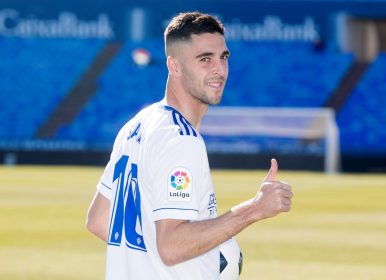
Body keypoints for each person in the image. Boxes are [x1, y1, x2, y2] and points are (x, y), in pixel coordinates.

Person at [86, 11, 293, 280]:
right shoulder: (180, 139)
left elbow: (99, 220)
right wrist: (255, 208)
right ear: (174, 67)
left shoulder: (137, 125)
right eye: (204, 59)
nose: (219, 69)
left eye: (223, 57)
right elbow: (171, 247)